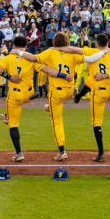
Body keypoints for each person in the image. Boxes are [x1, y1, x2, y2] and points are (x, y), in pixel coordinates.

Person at [0, 35, 64, 163]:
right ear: (26, 46)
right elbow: (47, 70)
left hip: (15, 95)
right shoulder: (30, 58)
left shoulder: (7, 59)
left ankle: (19, 153)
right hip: (28, 93)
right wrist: (63, 75)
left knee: (13, 125)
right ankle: (30, 98)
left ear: (13, 45)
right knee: (26, 97)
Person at [75, 33, 110, 163]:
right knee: (90, 80)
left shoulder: (92, 51)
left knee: (96, 122)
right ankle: (79, 95)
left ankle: (101, 153)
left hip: (98, 92)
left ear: (97, 43)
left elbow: (74, 49)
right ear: (108, 43)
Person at [34, 33, 86, 162]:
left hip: (56, 92)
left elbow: (35, 59)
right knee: (55, 106)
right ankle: (52, 105)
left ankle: (62, 151)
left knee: (56, 122)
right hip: (68, 89)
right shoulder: (72, 53)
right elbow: (88, 57)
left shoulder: (50, 53)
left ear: (54, 43)